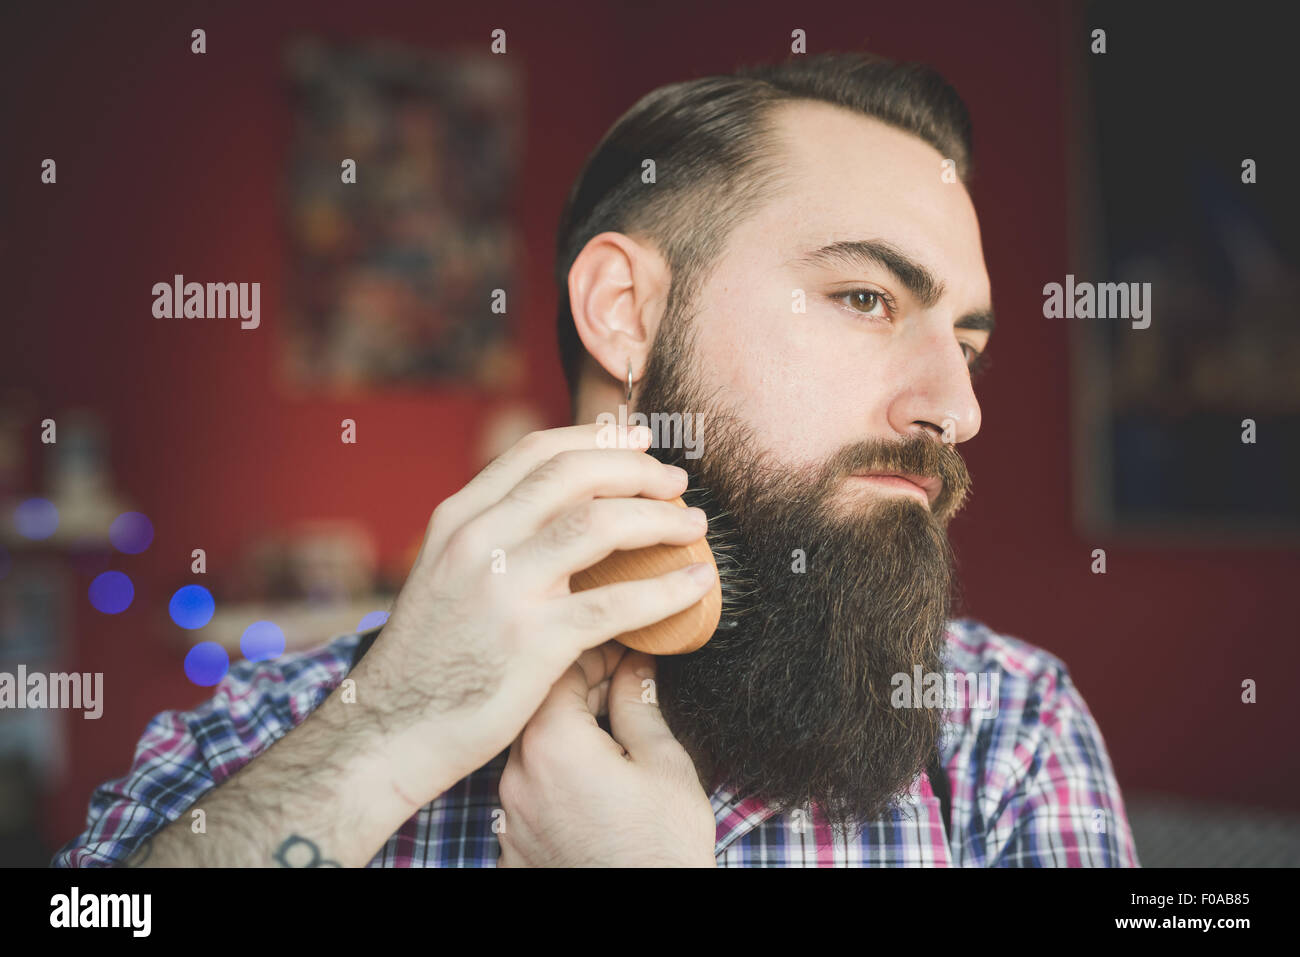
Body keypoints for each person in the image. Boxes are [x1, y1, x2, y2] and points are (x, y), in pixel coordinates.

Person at [53, 51, 1138, 867]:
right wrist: (384, 731)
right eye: (865, 298)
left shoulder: (1007, 728)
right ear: (626, 313)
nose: (956, 407)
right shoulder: (272, 729)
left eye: (968, 345)